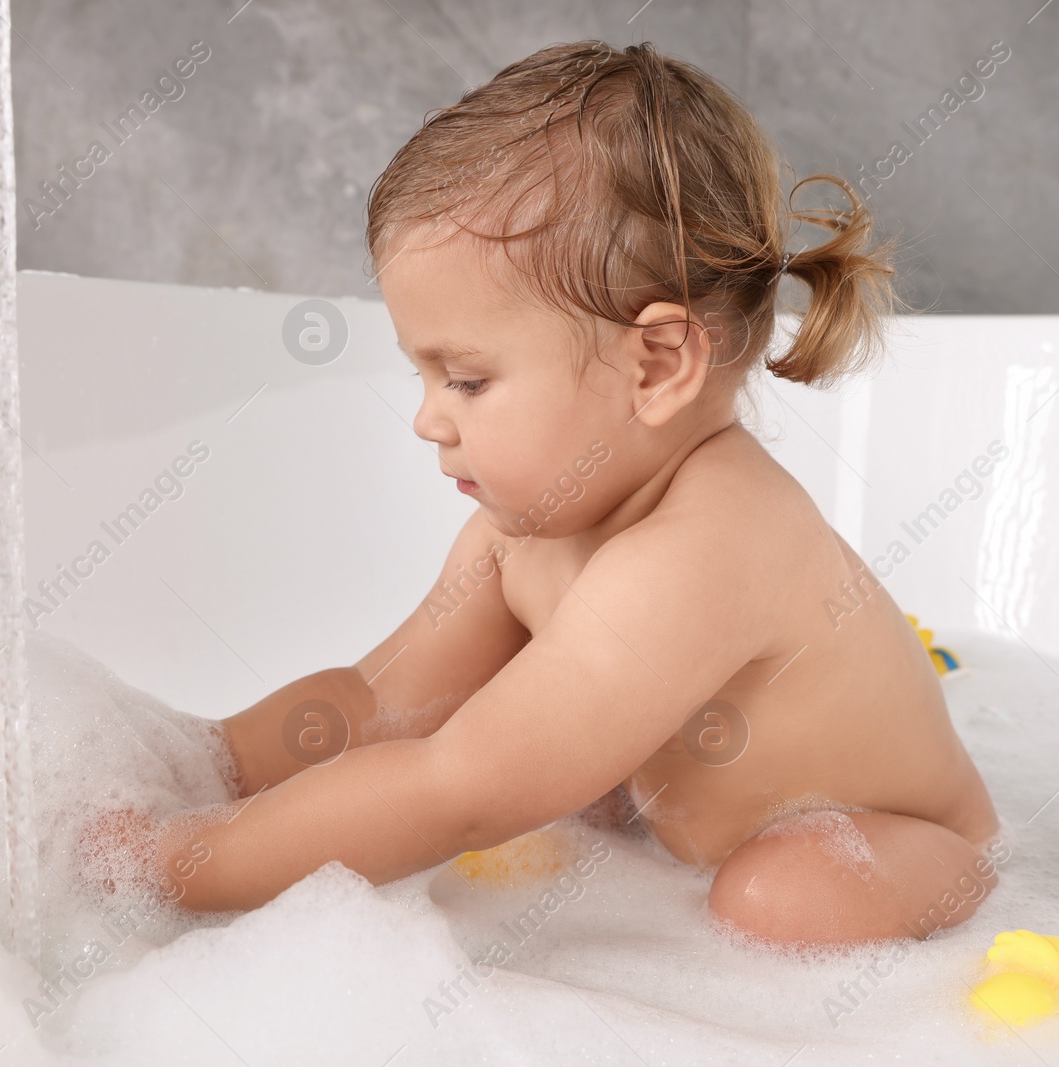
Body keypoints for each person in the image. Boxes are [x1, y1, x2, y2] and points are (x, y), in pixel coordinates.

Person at [89, 39, 999, 946]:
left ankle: (946, 879)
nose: (427, 421)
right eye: (423, 374)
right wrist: (197, 765)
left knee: (775, 897)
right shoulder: (523, 529)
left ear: (657, 364)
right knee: (565, 770)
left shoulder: (709, 546)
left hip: (907, 841)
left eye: (467, 381)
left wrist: (177, 865)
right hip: (703, 826)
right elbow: (375, 704)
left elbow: (457, 789)